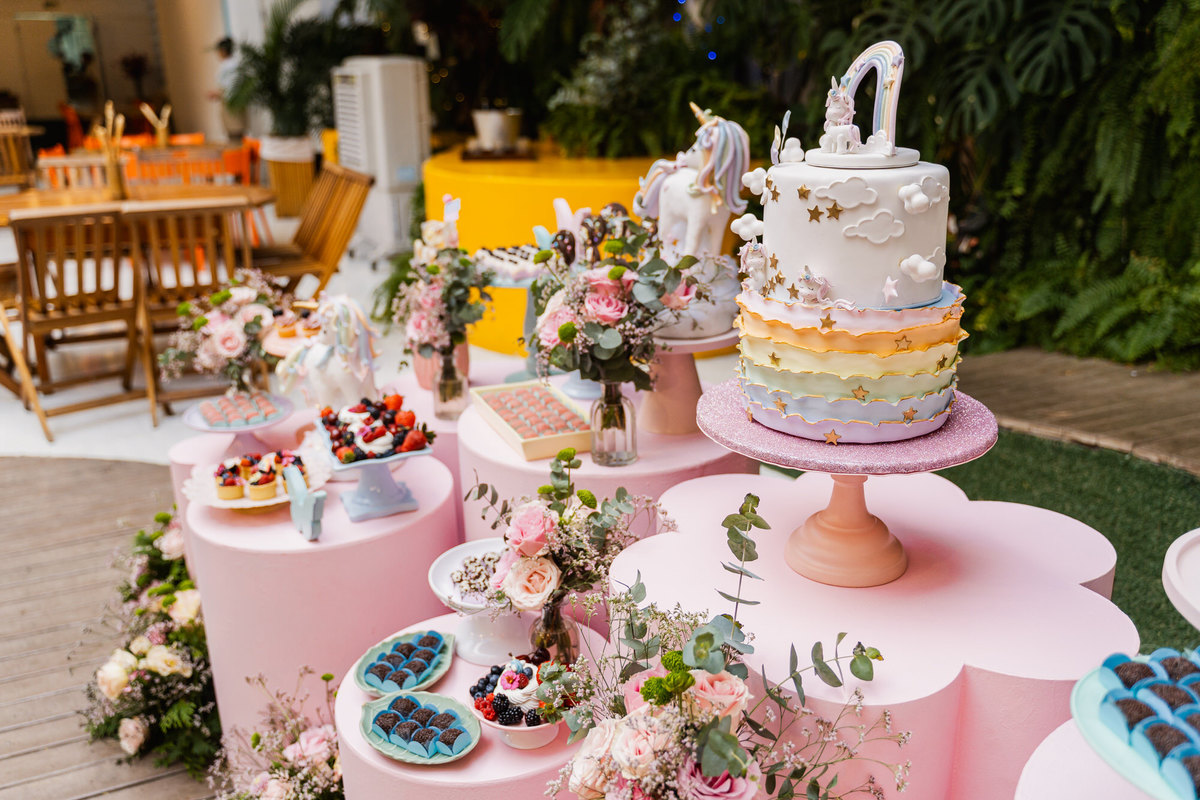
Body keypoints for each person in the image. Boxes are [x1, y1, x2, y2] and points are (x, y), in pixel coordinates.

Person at [209, 37, 245, 142]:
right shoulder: (232, 64)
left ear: (223, 51)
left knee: (235, 136)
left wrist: (217, 94)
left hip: (232, 104)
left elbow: (231, 88)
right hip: (232, 103)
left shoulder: (230, 66)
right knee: (234, 134)